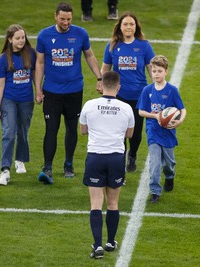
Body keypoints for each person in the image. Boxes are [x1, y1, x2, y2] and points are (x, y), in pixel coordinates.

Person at [35, 2, 102, 185]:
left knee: (72, 128)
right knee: (51, 129)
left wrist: (99, 77)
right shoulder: (44, 35)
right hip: (52, 92)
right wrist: (38, 88)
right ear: (55, 16)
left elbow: (89, 55)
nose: (66, 23)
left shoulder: (80, 33)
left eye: (69, 19)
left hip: (74, 91)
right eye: (63, 19)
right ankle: (47, 167)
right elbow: (39, 63)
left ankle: (68, 164)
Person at [80, 71, 134, 259]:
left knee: (96, 203)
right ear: (118, 87)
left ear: (101, 86)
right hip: (116, 158)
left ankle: (97, 246)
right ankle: (111, 241)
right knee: (113, 203)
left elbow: (83, 130)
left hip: (95, 156)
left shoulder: (89, 105)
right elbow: (129, 135)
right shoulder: (126, 108)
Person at [101, 12, 155, 173]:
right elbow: (105, 68)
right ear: (120, 26)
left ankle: (132, 154)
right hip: (119, 96)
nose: (129, 27)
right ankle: (122, 160)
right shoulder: (112, 46)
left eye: (132, 24)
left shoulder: (144, 46)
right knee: (121, 131)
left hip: (139, 96)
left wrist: (156, 87)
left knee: (136, 133)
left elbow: (151, 68)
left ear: (136, 26)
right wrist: (103, 85)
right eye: (126, 24)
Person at [136, 55, 187, 203]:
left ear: (166, 71)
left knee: (169, 164)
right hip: (153, 131)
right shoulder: (147, 90)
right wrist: (157, 116)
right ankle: (155, 192)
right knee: (155, 163)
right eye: (153, 71)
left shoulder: (172, 90)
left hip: (168, 132)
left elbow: (182, 110)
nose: (156, 74)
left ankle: (170, 177)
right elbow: (141, 111)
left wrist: (179, 121)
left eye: (159, 71)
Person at [0, 24, 36, 186]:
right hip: (9, 100)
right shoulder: (3, 58)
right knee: (9, 133)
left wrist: (38, 91)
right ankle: (5, 169)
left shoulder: (31, 54)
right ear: (10, 39)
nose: (21, 41)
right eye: (17, 38)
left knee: (23, 131)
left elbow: (35, 75)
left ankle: (20, 159)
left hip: (26, 100)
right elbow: (0, 84)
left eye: (23, 37)